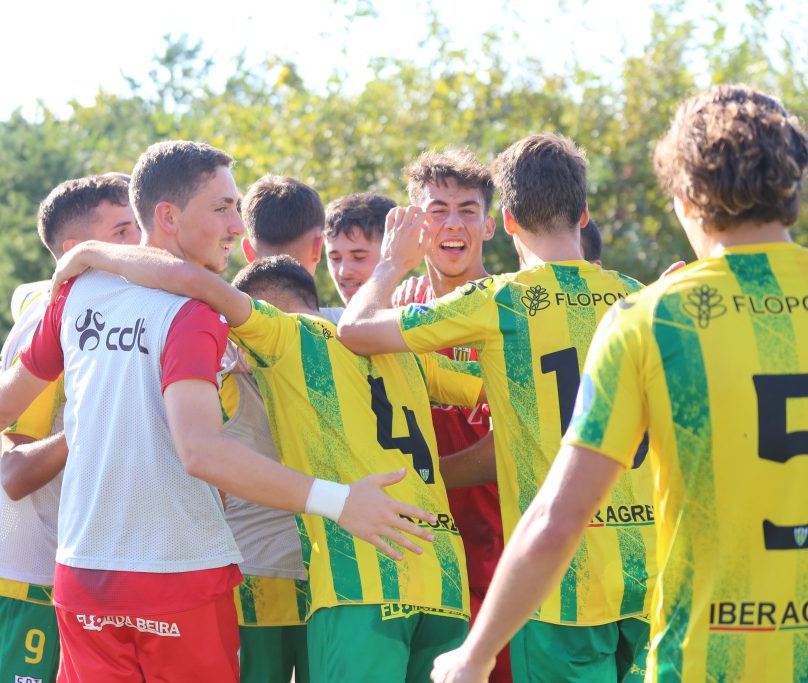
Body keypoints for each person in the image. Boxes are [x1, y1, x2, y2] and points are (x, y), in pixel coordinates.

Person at [0, 141, 435, 682]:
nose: (236, 225)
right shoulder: (195, 315)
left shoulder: (78, 293)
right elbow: (201, 451)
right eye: (222, 208)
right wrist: (339, 501)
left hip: (83, 577)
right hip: (178, 578)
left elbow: (3, 397)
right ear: (168, 216)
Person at [432, 84, 808, 683]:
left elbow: (559, 517)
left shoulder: (650, 319)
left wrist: (473, 658)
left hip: (705, 656)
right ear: (793, 186)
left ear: (685, 196)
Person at [49, 243, 484, 682]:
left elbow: (191, 279)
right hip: (445, 577)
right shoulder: (398, 345)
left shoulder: (286, 335)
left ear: (260, 309)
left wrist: (93, 253)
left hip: (363, 579)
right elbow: (494, 394)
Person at [338, 134, 658, 683]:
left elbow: (354, 331)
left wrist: (389, 266)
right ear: (583, 213)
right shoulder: (640, 297)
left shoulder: (500, 301)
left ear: (504, 221)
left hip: (556, 584)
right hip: (650, 573)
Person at [0, 173, 139, 682]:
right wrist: (99, 426)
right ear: (78, 251)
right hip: (15, 579)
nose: (139, 243)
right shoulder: (47, 323)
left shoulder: (105, 311)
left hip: (66, 577)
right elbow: (13, 471)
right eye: (123, 231)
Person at [395, 148, 511, 683]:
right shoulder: (393, 312)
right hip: (417, 555)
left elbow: (509, 446)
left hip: (502, 553)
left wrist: (426, 479)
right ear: (415, 223)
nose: (453, 223)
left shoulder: (510, 308)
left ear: (489, 226)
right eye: (437, 208)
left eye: (468, 209)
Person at [228, 175, 327, 683]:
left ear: (246, 246)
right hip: (333, 561)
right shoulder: (349, 331)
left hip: (249, 560)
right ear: (320, 245)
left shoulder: (212, 334)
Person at [324, 192, 396, 305]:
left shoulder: (424, 317)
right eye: (335, 258)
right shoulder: (315, 320)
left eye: (359, 257)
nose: (344, 271)